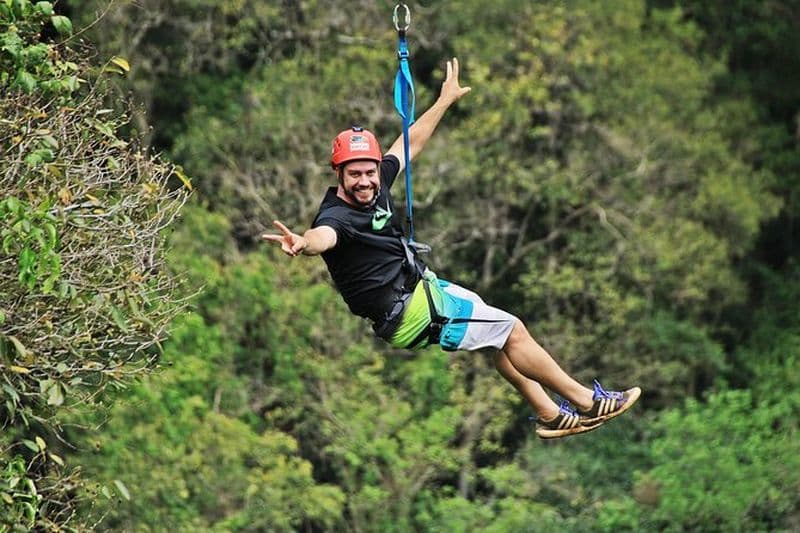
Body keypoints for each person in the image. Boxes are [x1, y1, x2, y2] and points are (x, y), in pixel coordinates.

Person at [263, 57, 640, 438]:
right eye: (354, 174)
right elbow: (323, 237)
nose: (364, 181)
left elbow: (409, 144)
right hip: (410, 312)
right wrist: (302, 242)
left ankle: (550, 414)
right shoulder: (337, 217)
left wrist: (444, 101)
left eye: (370, 172)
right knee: (512, 330)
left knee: (499, 335)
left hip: (423, 290)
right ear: (339, 174)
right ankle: (588, 402)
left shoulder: (378, 183)